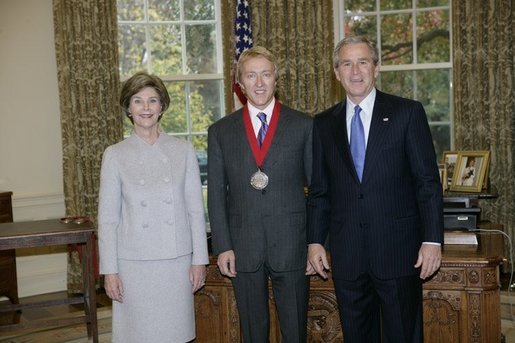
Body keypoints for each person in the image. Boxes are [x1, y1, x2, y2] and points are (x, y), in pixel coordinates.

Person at [306, 36, 443, 342]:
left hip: (398, 252)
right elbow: (320, 191)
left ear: (377, 67)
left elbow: (427, 183)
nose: (355, 71)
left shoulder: (407, 113)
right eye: (347, 63)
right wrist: (315, 241)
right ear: (336, 72)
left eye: (363, 62)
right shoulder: (323, 124)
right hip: (348, 256)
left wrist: (432, 239)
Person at [207, 46, 313, 342]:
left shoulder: (304, 125)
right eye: (251, 76)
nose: (259, 83)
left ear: (276, 78)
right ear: (239, 83)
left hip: (293, 246)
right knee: (252, 333)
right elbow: (215, 194)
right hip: (243, 248)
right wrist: (223, 246)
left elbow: (319, 191)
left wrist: (315, 243)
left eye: (266, 74)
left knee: (295, 332)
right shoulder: (220, 131)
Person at [98, 71, 209, 343]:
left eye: (152, 101)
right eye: (138, 101)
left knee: (176, 334)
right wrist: (110, 271)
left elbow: (196, 211)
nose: (145, 108)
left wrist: (199, 261)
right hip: (133, 265)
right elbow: (108, 219)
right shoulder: (115, 155)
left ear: (162, 107)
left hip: (175, 262)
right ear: (128, 108)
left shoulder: (183, 150)